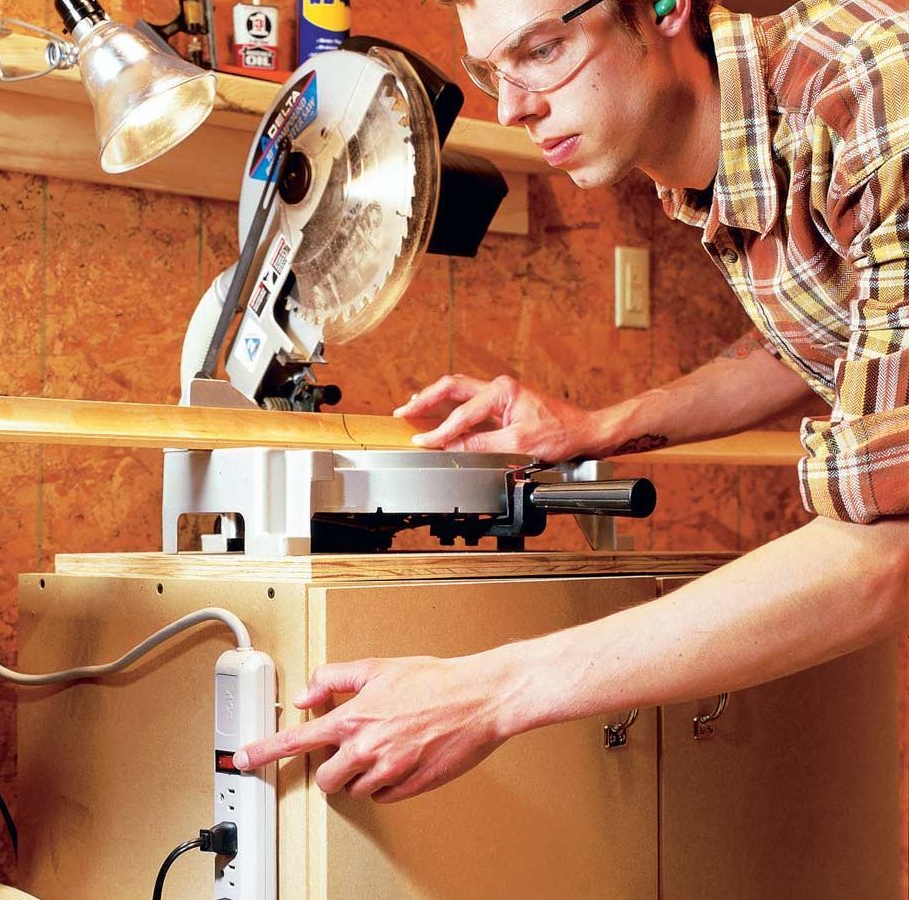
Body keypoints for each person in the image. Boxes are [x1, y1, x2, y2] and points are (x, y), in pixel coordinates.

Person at [233, 0, 908, 803]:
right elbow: (817, 336)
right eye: (493, 72)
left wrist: (491, 693)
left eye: (544, 50)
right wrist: (600, 427)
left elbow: (885, 551)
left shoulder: (866, 89)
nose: (513, 107)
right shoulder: (714, 162)